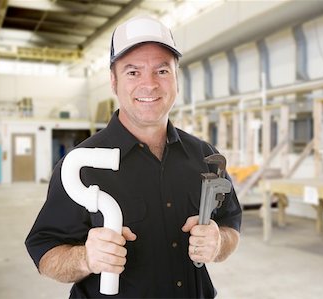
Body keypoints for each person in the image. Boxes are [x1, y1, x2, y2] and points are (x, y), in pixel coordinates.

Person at [25, 15, 242, 298]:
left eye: (162, 71)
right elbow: (45, 253)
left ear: (177, 79)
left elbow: (230, 226)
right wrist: (86, 258)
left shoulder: (204, 156)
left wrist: (218, 241)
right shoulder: (81, 166)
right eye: (133, 72)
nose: (149, 84)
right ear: (113, 82)